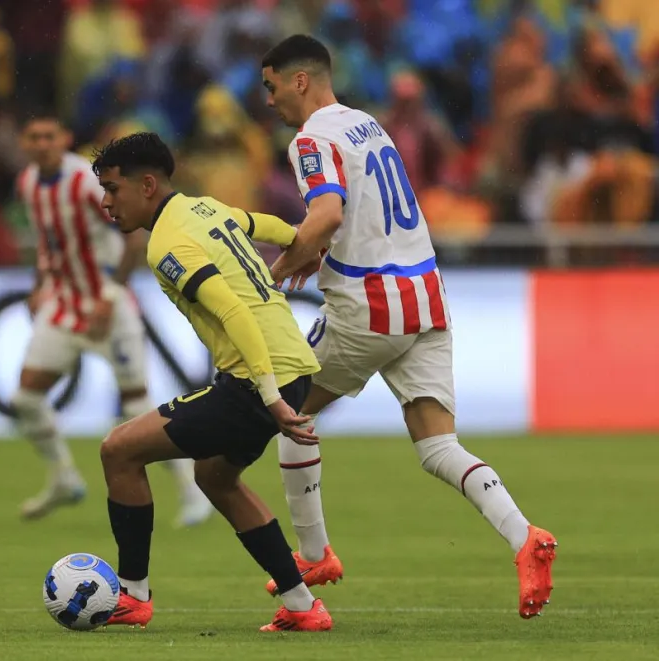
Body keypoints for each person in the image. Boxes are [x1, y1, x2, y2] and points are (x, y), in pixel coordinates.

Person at [259, 34, 557, 619]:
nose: (267, 101)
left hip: (367, 305)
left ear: (299, 80)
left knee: (283, 407)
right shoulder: (367, 124)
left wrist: (286, 262)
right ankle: (526, 537)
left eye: (270, 87)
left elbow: (326, 214)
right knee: (438, 445)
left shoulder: (311, 138)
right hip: (425, 298)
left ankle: (314, 554)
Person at [91, 132, 333, 633]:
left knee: (119, 450)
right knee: (215, 477)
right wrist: (299, 241)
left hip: (255, 380)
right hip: (294, 367)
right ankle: (303, 606)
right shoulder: (205, 209)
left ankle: (133, 594)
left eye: (114, 189)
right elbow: (259, 223)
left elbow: (232, 309)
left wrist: (269, 398)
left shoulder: (167, 243)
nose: (106, 201)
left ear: (149, 185)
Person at [13, 111, 211, 526]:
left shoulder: (85, 182)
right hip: (65, 304)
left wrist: (110, 293)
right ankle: (64, 476)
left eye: (49, 135)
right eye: (34, 136)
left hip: (110, 303)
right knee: (26, 397)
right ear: (24, 143)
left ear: (64, 138)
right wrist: (39, 284)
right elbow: (49, 243)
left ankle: (193, 491)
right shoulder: (28, 183)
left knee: (137, 404)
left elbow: (132, 237)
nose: (42, 143)